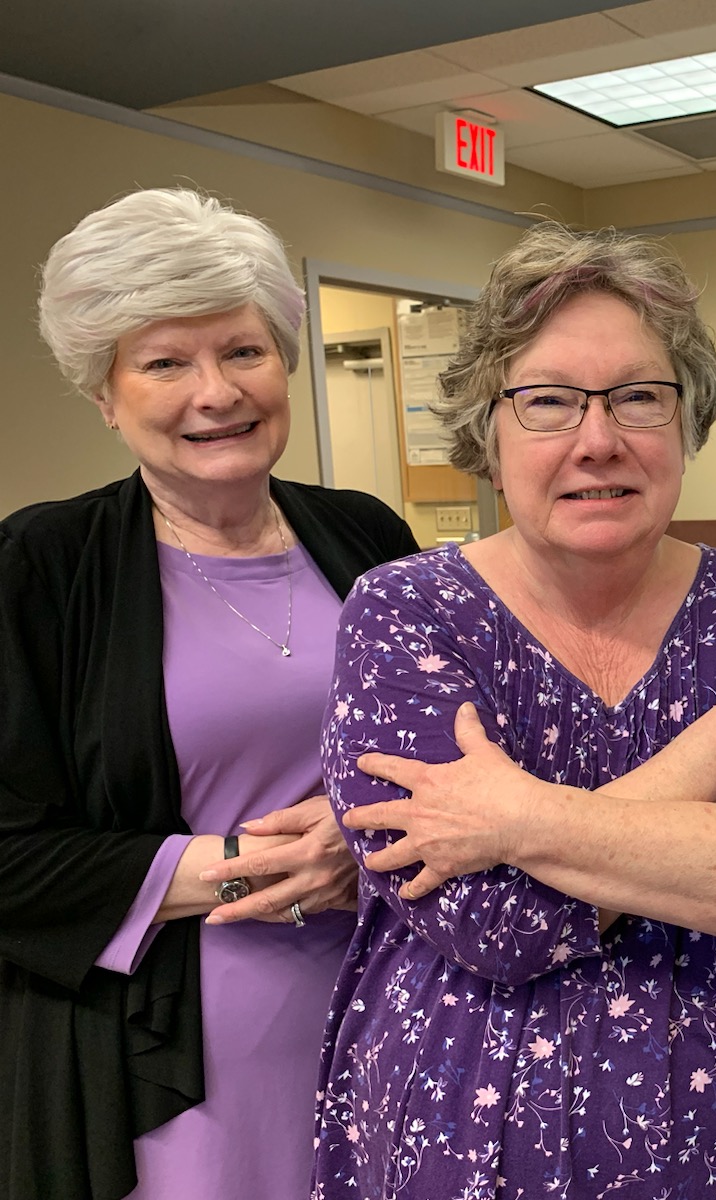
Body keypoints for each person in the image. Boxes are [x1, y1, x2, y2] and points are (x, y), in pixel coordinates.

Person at [310, 223, 716, 1199]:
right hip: (465, 1132)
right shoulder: (403, 612)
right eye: (549, 402)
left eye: (640, 397)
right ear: (487, 428)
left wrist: (515, 818)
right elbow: (493, 924)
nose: (598, 440)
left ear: (687, 420)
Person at [0, 188, 422, 1200]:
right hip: (175, 1058)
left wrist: (358, 837)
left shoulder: (366, 537)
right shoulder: (44, 564)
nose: (215, 391)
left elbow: (454, 746)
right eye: (163, 362)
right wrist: (247, 867)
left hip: (394, 1000)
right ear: (105, 395)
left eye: (242, 350)